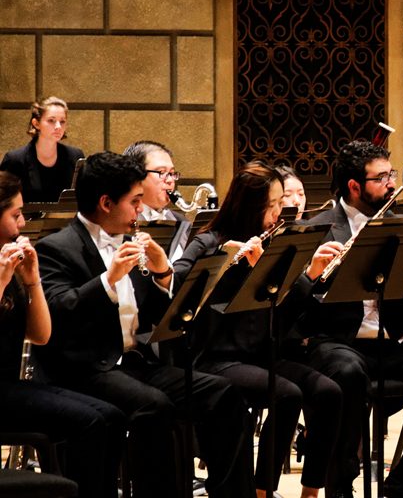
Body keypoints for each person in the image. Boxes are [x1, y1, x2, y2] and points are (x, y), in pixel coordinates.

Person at [32, 151, 254, 498]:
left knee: (222, 393)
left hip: (137, 362)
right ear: (106, 202)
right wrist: (109, 279)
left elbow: (158, 315)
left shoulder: (131, 241)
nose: (140, 209)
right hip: (87, 368)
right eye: (135, 201)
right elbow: (60, 313)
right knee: (154, 405)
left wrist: (164, 274)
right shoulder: (56, 248)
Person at [291, 140, 403, 498]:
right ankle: (340, 483)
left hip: (390, 339)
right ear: (354, 187)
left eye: (390, 175)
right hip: (336, 341)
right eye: (382, 178)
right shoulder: (317, 227)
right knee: (348, 372)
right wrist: (320, 273)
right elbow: (299, 305)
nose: (391, 184)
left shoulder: (401, 223)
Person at [174, 162, 344, 498]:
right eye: (273, 205)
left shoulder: (276, 242)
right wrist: (223, 262)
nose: (281, 211)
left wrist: (311, 274)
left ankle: (311, 490)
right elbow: (177, 281)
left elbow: (285, 314)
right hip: (216, 355)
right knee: (287, 394)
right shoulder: (210, 240)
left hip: (260, 352)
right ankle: (262, 490)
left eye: (282, 203)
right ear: (250, 205)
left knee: (328, 392)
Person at [0, 171, 126, 497]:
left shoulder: (9, 262)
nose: (23, 222)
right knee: (90, 423)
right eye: (15, 214)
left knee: (111, 416)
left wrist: (31, 279)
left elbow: (40, 335)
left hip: (12, 387)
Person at [0, 96, 86, 203]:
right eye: (51, 120)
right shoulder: (15, 160)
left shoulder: (75, 156)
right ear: (36, 124)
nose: (58, 126)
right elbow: (3, 203)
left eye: (62, 121)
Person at [123, 140, 189, 261]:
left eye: (172, 173)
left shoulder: (180, 221)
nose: (170, 180)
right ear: (136, 175)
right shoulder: (120, 223)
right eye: (162, 172)